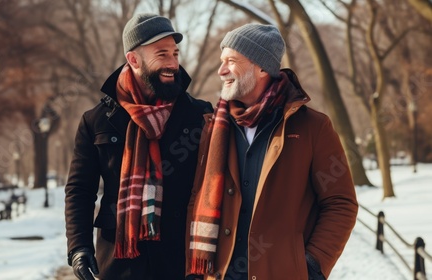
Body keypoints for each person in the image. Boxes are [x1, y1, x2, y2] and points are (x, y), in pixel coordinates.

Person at [186, 24, 358, 280]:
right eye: (221, 61)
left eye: (231, 61)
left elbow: (340, 203)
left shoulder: (312, 127)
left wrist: (311, 265)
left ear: (262, 67)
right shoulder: (213, 128)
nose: (221, 71)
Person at [65, 13, 213, 280]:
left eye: (175, 54)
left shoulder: (199, 115)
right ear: (133, 59)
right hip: (120, 261)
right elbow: (80, 190)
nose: (173, 64)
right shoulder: (97, 121)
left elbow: (212, 190)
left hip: (182, 262)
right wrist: (79, 246)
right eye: (162, 54)